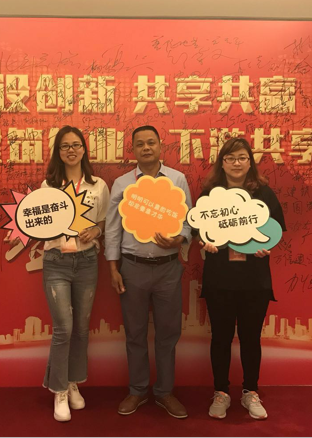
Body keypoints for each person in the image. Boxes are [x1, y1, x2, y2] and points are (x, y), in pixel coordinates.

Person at [105, 125, 193, 419]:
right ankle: (138, 390)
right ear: (133, 150)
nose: (146, 148)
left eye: (151, 143)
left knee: (168, 333)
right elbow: (112, 228)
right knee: (135, 333)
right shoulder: (122, 184)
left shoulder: (177, 179)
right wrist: (113, 268)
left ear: (160, 146)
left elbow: (189, 221)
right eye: (140, 144)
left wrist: (180, 238)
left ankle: (165, 392)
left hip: (168, 268)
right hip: (132, 268)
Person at [196, 137, 286, 421]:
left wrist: (266, 247)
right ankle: (221, 392)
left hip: (254, 280)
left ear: (250, 163)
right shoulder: (210, 194)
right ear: (222, 163)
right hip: (219, 278)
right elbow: (198, 230)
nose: (236, 163)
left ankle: (250, 391)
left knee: (251, 338)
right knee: (220, 338)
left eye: (242, 158)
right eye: (231, 158)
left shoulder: (264, 193)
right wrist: (204, 243)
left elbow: (275, 231)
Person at [40, 125, 110, 422]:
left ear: (84, 149)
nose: (71, 150)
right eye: (65, 146)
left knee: (81, 328)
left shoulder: (98, 186)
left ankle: (72, 382)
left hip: (87, 261)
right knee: (63, 328)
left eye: (76, 145)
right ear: (58, 152)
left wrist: (95, 231)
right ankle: (58, 390)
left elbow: (104, 221)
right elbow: (40, 224)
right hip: (56, 261)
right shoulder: (48, 187)